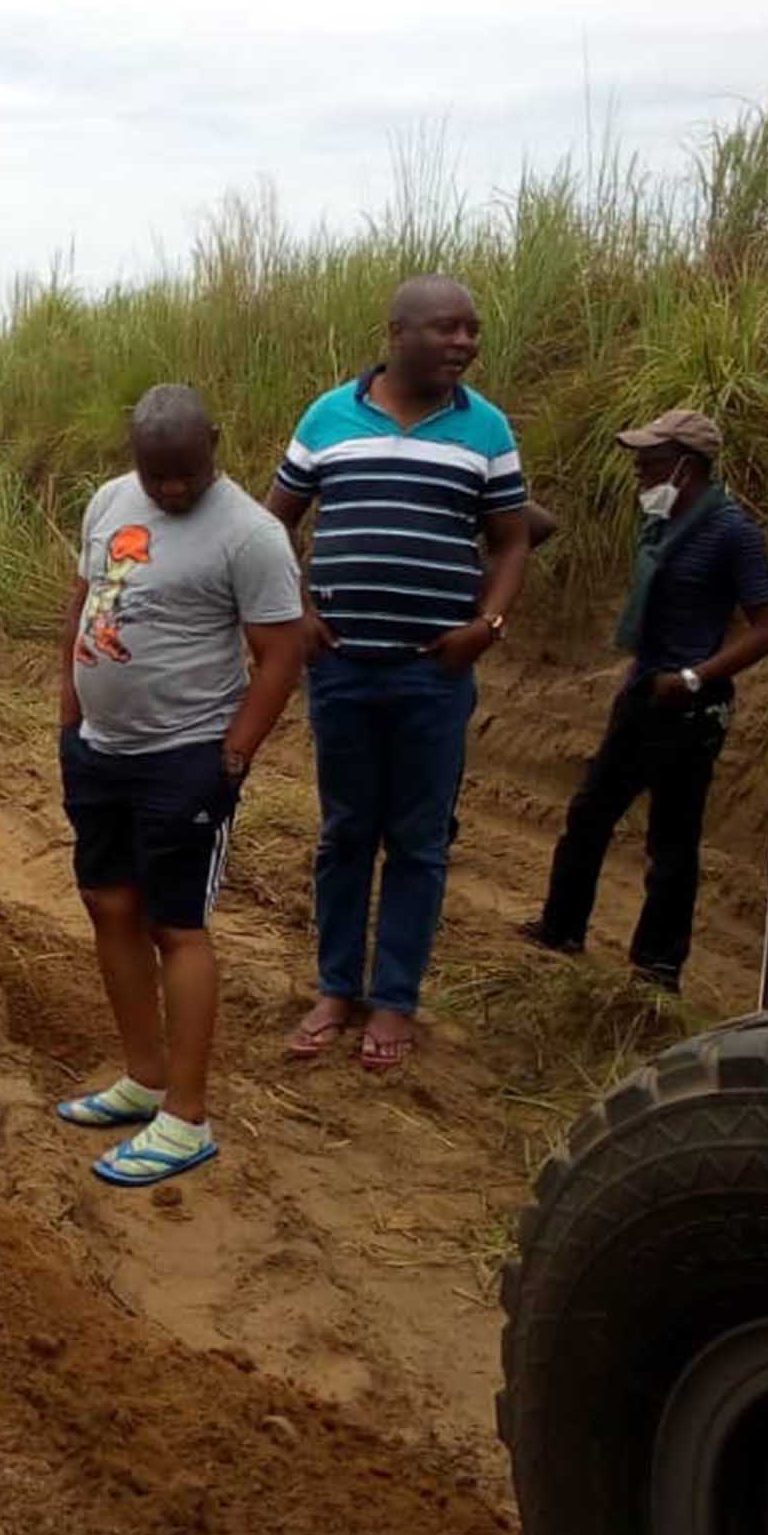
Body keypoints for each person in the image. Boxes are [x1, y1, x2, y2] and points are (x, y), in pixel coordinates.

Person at [270, 274, 537, 1072]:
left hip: (433, 676)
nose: (465, 343)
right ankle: (335, 990)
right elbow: (274, 522)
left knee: (418, 843)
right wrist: (299, 612)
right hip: (342, 670)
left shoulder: (486, 427)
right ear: (396, 333)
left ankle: (394, 1000)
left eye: (472, 329)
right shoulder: (327, 417)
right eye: (447, 328)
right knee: (346, 833)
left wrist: (487, 627)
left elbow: (512, 540)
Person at [49, 386, 309, 1187]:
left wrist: (233, 756)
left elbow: (283, 654)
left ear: (214, 445)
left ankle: (186, 1117)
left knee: (176, 925)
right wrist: (68, 716)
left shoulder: (251, 535)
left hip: (185, 755)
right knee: (109, 903)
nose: (170, 489)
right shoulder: (108, 501)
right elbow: (85, 601)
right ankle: (143, 1077)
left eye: (185, 473)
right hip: (100, 750)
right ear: (133, 456)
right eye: (155, 473)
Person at [526, 407, 768, 995]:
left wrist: (694, 677)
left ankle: (657, 970)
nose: (639, 471)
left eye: (650, 461)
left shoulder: (734, 533)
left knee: (671, 840)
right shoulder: (661, 526)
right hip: (644, 692)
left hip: (690, 709)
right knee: (589, 812)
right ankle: (560, 929)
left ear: (685, 467)